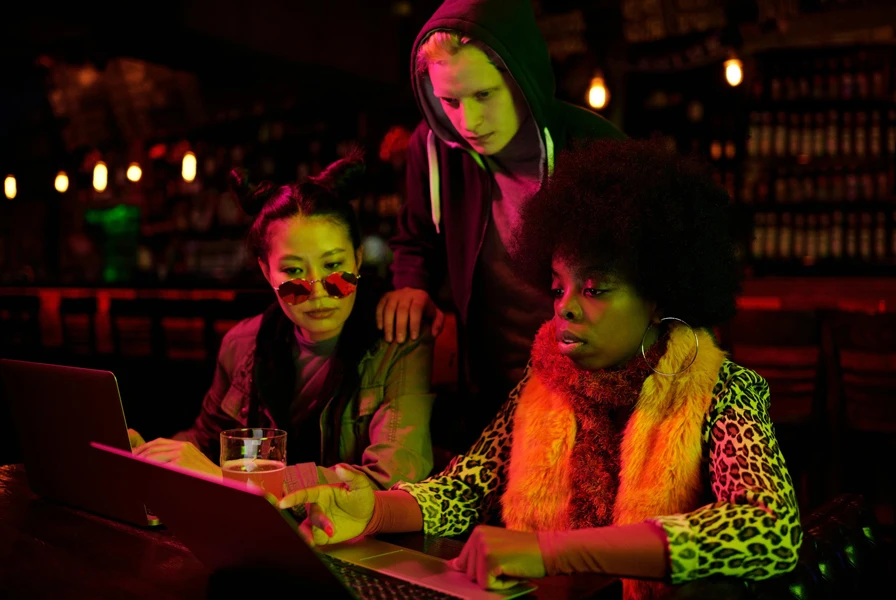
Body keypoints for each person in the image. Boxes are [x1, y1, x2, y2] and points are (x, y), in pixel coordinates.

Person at [279, 140, 802, 599]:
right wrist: (370, 510)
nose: (565, 308)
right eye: (558, 287)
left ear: (655, 296)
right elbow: (465, 489)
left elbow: (771, 530)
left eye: (594, 289)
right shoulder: (546, 379)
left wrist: (552, 552)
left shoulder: (721, 389)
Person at [377, 0, 626, 446]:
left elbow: (651, 277)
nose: (467, 121)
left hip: (593, 396)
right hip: (488, 398)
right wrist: (410, 283)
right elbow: (415, 239)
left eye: (484, 95)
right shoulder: (432, 149)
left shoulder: (596, 148)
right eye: (449, 101)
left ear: (521, 78)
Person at [129, 151, 436, 490]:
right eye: (294, 273)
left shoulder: (398, 341)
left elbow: (392, 479)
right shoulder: (243, 343)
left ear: (358, 259)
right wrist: (151, 454)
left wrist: (235, 479)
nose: (318, 292)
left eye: (334, 268)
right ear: (266, 271)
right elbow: (205, 443)